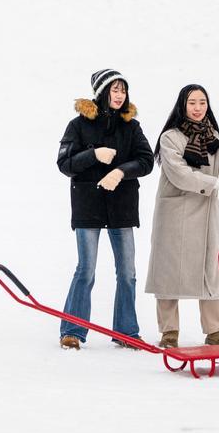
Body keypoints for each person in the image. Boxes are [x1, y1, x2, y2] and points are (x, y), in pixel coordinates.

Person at [144, 84, 219, 349]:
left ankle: (215, 330)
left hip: (205, 213)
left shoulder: (213, 135)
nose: (198, 108)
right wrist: (217, 184)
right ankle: (169, 331)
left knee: (210, 269)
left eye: (202, 102)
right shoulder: (170, 137)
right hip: (175, 214)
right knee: (169, 270)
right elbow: (180, 175)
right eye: (192, 102)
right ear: (183, 105)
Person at [56, 69, 154, 350]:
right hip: (88, 206)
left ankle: (126, 331)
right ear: (101, 93)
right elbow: (64, 164)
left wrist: (121, 171)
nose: (120, 95)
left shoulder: (131, 127)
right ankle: (72, 330)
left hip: (122, 208)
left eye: (123, 90)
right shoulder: (78, 125)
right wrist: (93, 154)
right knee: (86, 270)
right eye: (114, 90)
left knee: (128, 273)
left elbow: (146, 161)